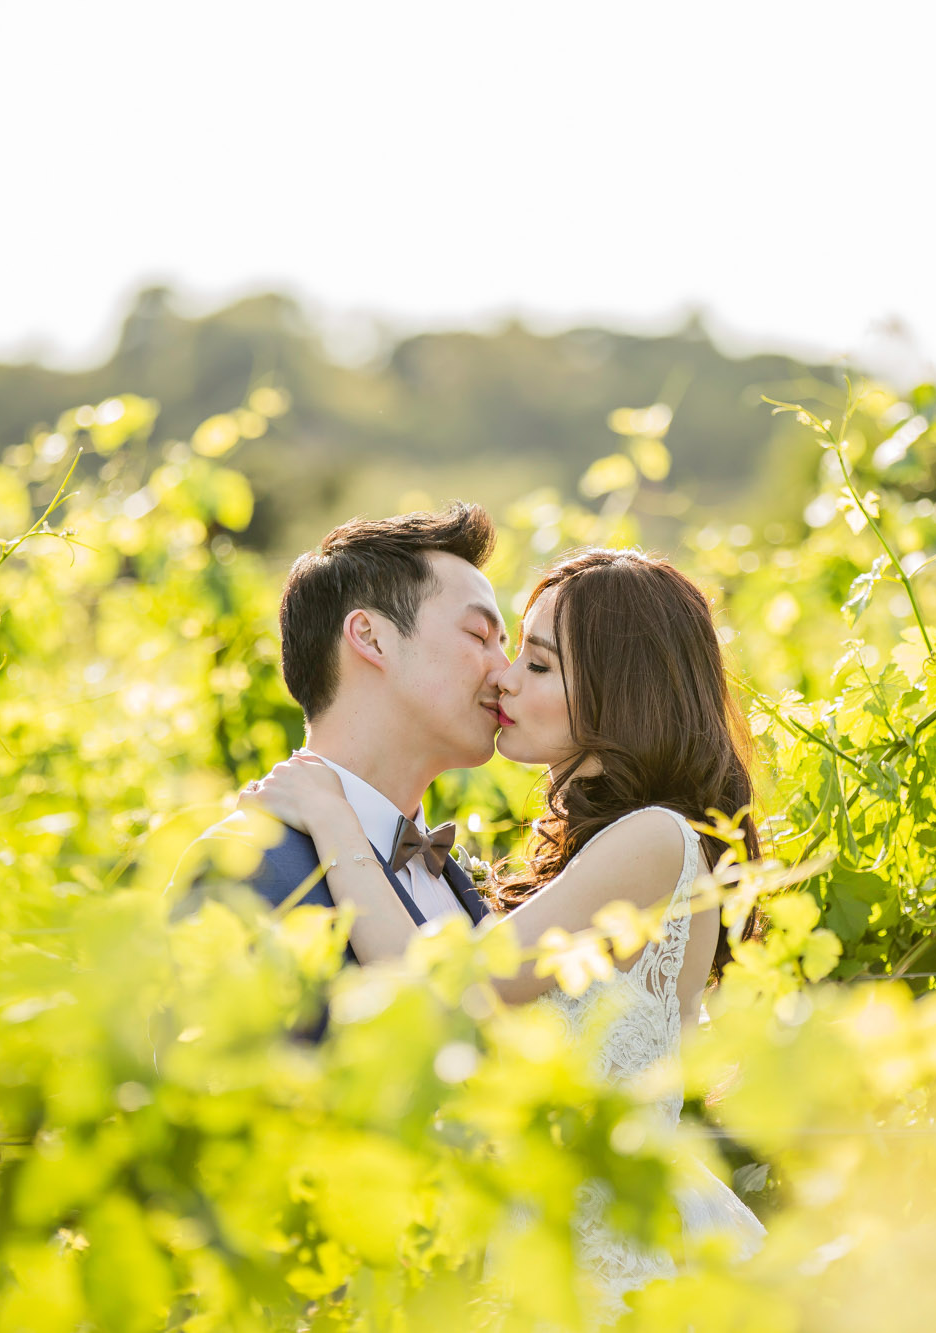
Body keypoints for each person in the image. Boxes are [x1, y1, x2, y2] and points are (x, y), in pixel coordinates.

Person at [246, 546, 766, 1315]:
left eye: (539, 664)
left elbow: (460, 988)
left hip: (606, 1270)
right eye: (505, 650)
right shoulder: (614, 852)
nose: (505, 678)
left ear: (621, 690)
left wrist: (333, 819)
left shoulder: (654, 839)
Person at [193, 503, 507, 965]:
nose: (506, 673)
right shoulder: (242, 867)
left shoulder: (459, 885)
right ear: (371, 637)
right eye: (480, 636)